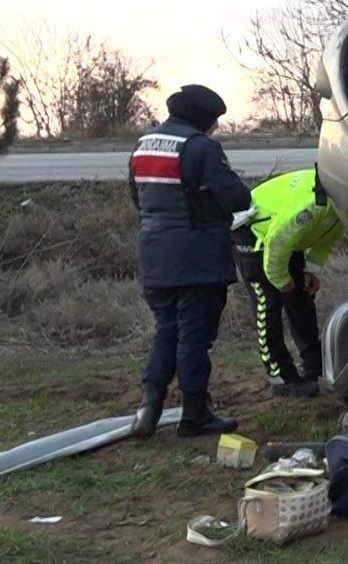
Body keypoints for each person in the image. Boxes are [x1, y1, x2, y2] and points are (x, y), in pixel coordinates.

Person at [129, 84, 252, 438]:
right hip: (198, 259)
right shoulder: (201, 148)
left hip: (154, 257)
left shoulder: (143, 145)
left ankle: (148, 409)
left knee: (166, 329)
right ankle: (194, 414)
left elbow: (137, 199)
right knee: (194, 339)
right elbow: (238, 198)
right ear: (204, 118)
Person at [231, 167, 347, 398]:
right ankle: (281, 376)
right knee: (268, 302)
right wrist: (282, 281)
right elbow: (276, 244)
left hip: (286, 236)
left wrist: (310, 269)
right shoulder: (310, 206)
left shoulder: (342, 205)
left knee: (301, 298)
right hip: (255, 232)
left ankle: (314, 365)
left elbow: (329, 237)